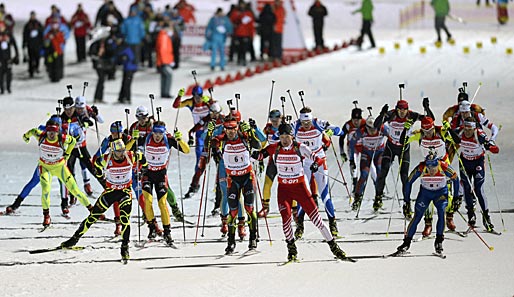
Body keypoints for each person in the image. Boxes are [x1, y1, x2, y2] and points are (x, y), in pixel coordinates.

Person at [252, 123, 350, 262]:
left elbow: (319, 158)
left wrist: (316, 164)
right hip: (284, 190)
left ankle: (334, 246)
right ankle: (291, 249)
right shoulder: (275, 147)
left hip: (300, 189)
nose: (285, 140)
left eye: (287, 137)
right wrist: (254, 154)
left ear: (292, 136)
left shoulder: (300, 147)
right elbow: (261, 155)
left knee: (317, 220)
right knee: (285, 219)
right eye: (282, 137)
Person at [61, 139, 146, 263]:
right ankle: (74, 239)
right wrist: (100, 175)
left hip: (125, 192)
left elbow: (142, 158)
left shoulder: (130, 156)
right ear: (113, 151)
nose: (121, 153)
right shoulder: (107, 158)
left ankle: (124, 247)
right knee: (93, 216)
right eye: (118, 151)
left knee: (125, 220)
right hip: (110, 192)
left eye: (123, 150)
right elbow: (96, 164)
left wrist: (143, 170)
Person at [22, 118, 92, 227]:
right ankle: (46, 216)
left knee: (74, 190)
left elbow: (73, 141)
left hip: (60, 167)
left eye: (54, 133)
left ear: (57, 132)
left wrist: (67, 154)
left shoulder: (62, 138)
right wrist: (26, 137)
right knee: (45, 190)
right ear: (46, 131)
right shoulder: (41, 136)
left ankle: (92, 210)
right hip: (45, 167)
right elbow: (32, 131)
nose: (51, 135)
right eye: (49, 132)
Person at [401, 116, 461, 235]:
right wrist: (405, 130)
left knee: (446, 194)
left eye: (429, 131)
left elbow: (457, 140)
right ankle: (428, 224)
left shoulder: (441, 132)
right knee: (427, 193)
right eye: (425, 131)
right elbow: (403, 141)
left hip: (443, 165)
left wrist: (450, 129)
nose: (427, 134)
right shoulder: (420, 134)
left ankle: (449, 217)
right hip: (428, 167)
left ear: (433, 127)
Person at [209, 116, 261, 253]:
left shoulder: (244, 137)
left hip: (247, 178)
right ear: (224, 129)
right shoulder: (222, 139)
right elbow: (210, 145)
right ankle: (231, 242)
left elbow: (258, 145)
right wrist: (210, 134)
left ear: (237, 127)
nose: (231, 132)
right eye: (228, 129)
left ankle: (253, 238)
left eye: (233, 129)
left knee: (249, 208)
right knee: (233, 212)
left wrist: (251, 132)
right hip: (232, 179)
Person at [373, 98, 434, 212]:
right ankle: (378, 197)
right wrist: (382, 114)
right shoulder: (391, 114)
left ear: (407, 109)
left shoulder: (412, 115)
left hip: (404, 148)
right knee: (383, 173)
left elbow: (430, 120)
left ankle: (407, 203)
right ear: (396, 109)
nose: (401, 112)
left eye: (404, 110)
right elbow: (376, 126)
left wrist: (427, 108)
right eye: (399, 109)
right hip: (390, 147)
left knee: (404, 177)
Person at [293, 107, 345, 238]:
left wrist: (331, 130)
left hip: (320, 162)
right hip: (304, 163)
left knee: (325, 195)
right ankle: (300, 226)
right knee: (302, 195)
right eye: (304, 122)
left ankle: (333, 225)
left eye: (308, 122)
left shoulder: (318, 123)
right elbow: (277, 136)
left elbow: (341, 131)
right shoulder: (295, 125)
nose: (306, 125)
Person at [396, 151, 459, 255]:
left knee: (441, 213)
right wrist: (406, 201)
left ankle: (439, 241)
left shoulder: (443, 166)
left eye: (434, 168)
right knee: (417, 217)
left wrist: (456, 198)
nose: (431, 171)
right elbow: (408, 182)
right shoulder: (421, 167)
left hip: (440, 194)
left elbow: (456, 179)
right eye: (429, 168)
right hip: (425, 194)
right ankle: (406, 243)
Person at [142, 121, 189, 244]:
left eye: (160, 133)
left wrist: (180, 140)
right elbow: (128, 147)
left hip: (161, 175)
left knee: (162, 203)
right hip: (147, 174)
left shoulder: (168, 139)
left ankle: (167, 232)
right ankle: (152, 228)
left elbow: (187, 150)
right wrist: (134, 139)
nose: (157, 136)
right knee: (147, 201)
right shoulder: (147, 138)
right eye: (155, 133)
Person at [454, 117, 500, 232]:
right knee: (467, 187)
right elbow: (448, 135)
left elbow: (488, 145)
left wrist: (492, 147)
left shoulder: (479, 134)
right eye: (466, 128)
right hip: (464, 162)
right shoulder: (460, 131)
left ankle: (486, 218)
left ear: (474, 128)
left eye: (470, 129)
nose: (468, 131)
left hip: (477, 162)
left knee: (478, 189)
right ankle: (471, 215)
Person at [173, 86, 212, 197]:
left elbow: (218, 109)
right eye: (195, 96)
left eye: (199, 96)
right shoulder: (190, 102)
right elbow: (176, 106)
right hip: (199, 134)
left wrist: (210, 102)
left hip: (212, 133)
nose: (197, 99)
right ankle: (195, 184)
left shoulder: (207, 100)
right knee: (200, 160)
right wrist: (179, 96)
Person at [352, 116, 389, 211]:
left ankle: (378, 197)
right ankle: (357, 198)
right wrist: (352, 159)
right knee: (364, 175)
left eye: (374, 129)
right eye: (370, 129)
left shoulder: (383, 128)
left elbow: (392, 138)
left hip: (379, 153)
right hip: (367, 153)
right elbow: (352, 142)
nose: (372, 131)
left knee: (380, 174)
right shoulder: (361, 131)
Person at [257, 109, 282, 217]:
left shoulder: (285, 128)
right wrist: (260, 157)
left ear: (281, 118)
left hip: (286, 161)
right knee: (267, 184)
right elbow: (262, 143)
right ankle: (265, 207)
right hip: (273, 161)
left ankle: (294, 208)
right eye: (272, 119)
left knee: (287, 184)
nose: (274, 122)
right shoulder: (268, 128)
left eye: (276, 119)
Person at [339, 106, 367, 195]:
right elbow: (341, 138)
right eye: (354, 119)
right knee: (353, 165)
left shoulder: (365, 123)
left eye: (358, 119)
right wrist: (342, 152)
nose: (356, 122)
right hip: (352, 148)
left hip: (363, 147)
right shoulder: (348, 125)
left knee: (368, 166)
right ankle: (355, 185)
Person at [230, 1, 255, 66]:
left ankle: (243, 59)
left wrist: (251, 34)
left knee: (244, 48)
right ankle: (239, 59)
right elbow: (231, 22)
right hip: (237, 33)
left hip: (246, 34)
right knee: (238, 47)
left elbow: (251, 25)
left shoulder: (249, 13)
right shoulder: (235, 12)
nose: (242, 6)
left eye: (243, 4)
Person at [115, 36, 138, 104]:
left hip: (130, 68)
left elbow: (130, 58)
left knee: (126, 84)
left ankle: (127, 98)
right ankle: (122, 98)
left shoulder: (124, 48)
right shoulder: (123, 47)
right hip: (127, 68)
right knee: (124, 83)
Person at [155, 22, 174, 98]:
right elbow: (163, 49)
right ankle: (166, 93)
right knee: (168, 75)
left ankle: (164, 92)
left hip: (163, 60)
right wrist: (164, 61)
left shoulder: (162, 35)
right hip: (164, 61)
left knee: (164, 76)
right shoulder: (164, 36)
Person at [22, 11, 44, 78]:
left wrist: (42, 43)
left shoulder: (38, 24)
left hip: (37, 44)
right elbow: (25, 34)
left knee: (37, 57)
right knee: (31, 58)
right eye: (32, 15)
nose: (33, 17)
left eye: (33, 15)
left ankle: (36, 68)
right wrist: (24, 43)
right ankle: (31, 71)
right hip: (30, 45)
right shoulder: (27, 25)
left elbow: (42, 33)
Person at [0, 21, 18, 94]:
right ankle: (2, 88)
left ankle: (8, 87)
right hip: (0, 59)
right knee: (1, 74)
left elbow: (14, 45)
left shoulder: (9, 35)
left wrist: (16, 55)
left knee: (9, 74)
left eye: (2, 27)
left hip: (8, 58)